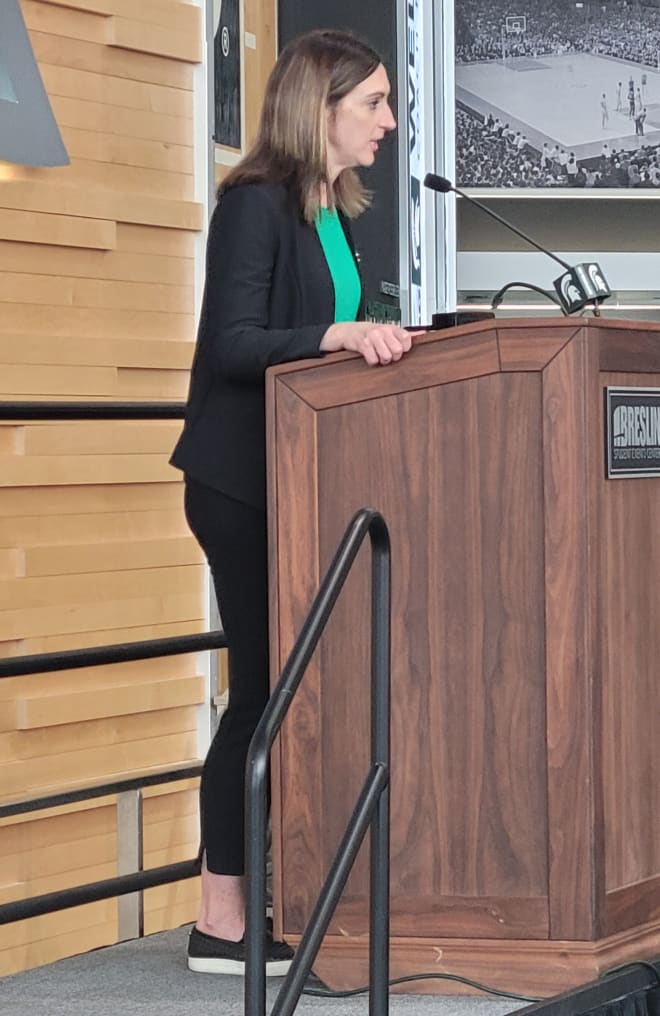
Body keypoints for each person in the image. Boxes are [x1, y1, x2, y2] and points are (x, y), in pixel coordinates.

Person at [169, 29, 410, 976]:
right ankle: (221, 922)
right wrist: (340, 334)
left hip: (307, 482)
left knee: (288, 692)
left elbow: (322, 339)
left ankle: (277, 890)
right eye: (374, 104)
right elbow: (233, 345)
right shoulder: (254, 207)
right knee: (260, 695)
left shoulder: (328, 212)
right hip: (240, 484)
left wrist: (373, 339)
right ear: (322, 107)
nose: (388, 123)